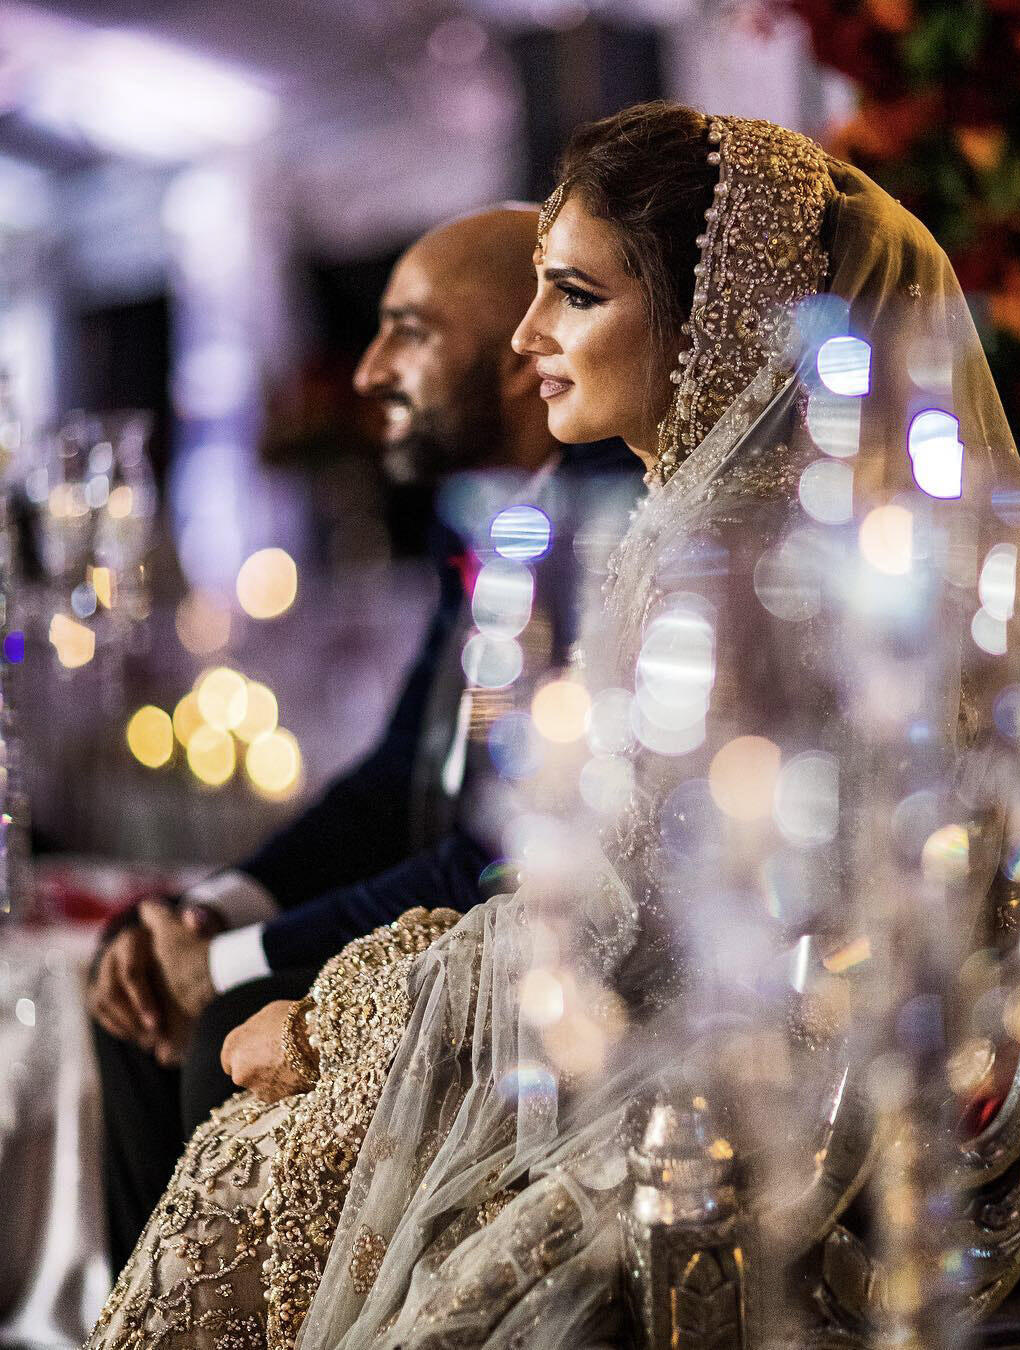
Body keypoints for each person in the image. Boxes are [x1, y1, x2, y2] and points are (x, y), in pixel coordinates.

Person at [87, 103, 1020, 1350]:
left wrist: (337, 1015)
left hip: (743, 1101)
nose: (533, 338)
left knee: (276, 1171)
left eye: (576, 295)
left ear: (713, 325)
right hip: (622, 1034)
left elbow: (634, 920)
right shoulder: (680, 528)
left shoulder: (745, 567)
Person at [87, 204, 639, 1275]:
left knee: (219, 1025)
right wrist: (208, 911)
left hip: (531, 964)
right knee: (129, 988)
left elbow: (499, 850)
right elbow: (395, 783)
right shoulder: (486, 532)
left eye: (414, 330)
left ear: (526, 354)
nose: (369, 369)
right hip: (438, 923)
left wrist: (232, 964)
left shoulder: (604, 552)